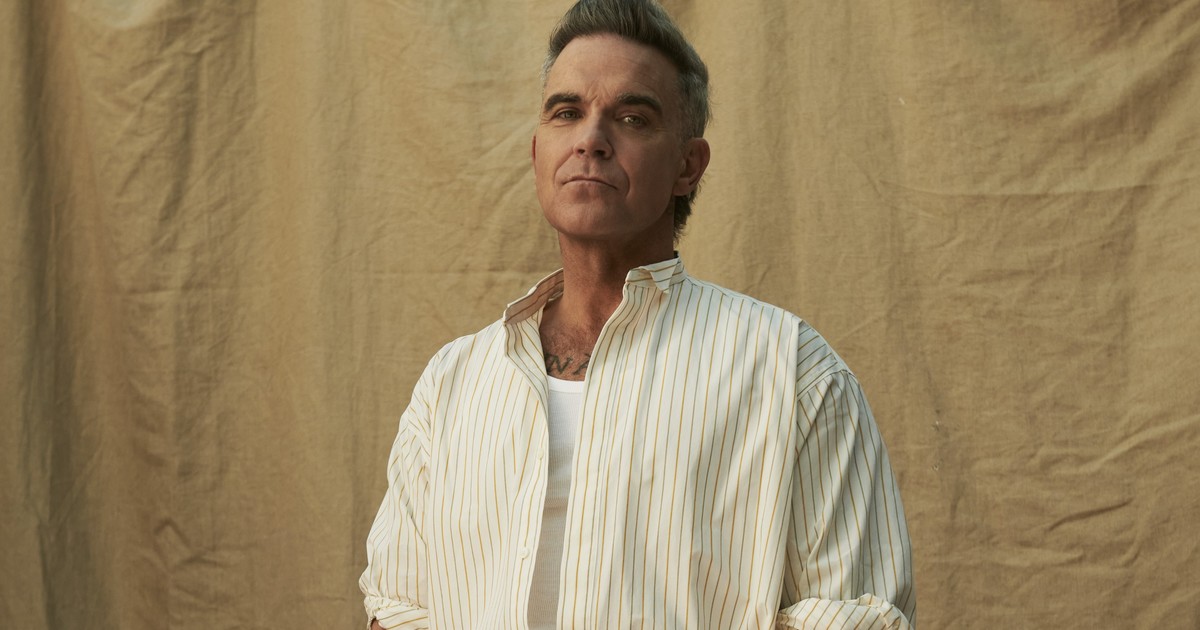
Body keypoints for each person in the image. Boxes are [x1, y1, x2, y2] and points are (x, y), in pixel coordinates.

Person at [360, 1, 915, 628]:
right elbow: (397, 609)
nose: (590, 139)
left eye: (632, 118)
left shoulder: (792, 373)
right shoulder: (453, 382)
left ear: (688, 165)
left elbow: (859, 616)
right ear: (538, 152)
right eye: (566, 112)